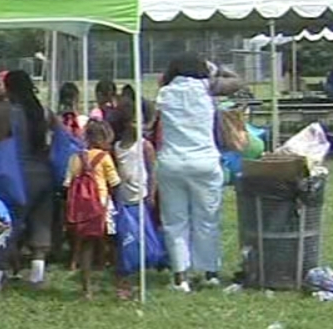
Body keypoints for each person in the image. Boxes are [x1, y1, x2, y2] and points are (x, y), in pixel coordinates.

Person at [154, 54, 248, 293]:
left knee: (175, 222)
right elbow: (237, 81)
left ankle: (180, 277)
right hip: (204, 161)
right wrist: (215, 68)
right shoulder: (207, 88)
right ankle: (209, 273)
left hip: (172, 162)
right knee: (207, 220)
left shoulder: (165, 92)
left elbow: (161, 82)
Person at [0, 70, 57, 291]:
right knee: (41, 223)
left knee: (10, 225)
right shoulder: (43, 111)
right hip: (45, 171)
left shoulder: (5, 112)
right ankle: (37, 276)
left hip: (20, 175)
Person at [65, 120, 121, 299]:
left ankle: (86, 287)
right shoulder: (104, 157)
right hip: (102, 204)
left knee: (86, 246)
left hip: (83, 208)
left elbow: (67, 182)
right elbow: (115, 182)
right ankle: (117, 282)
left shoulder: (76, 157)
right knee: (112, 243)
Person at [112, 109, 158, 299]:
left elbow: (152, 171)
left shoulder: (145, 146)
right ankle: (125, 277)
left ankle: (141, 274)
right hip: (123, 200)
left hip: (141, 198)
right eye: (133, 122)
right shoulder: (117, 147)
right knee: (126, 240)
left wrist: (152, 193)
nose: (138, 126)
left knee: (144, 238)